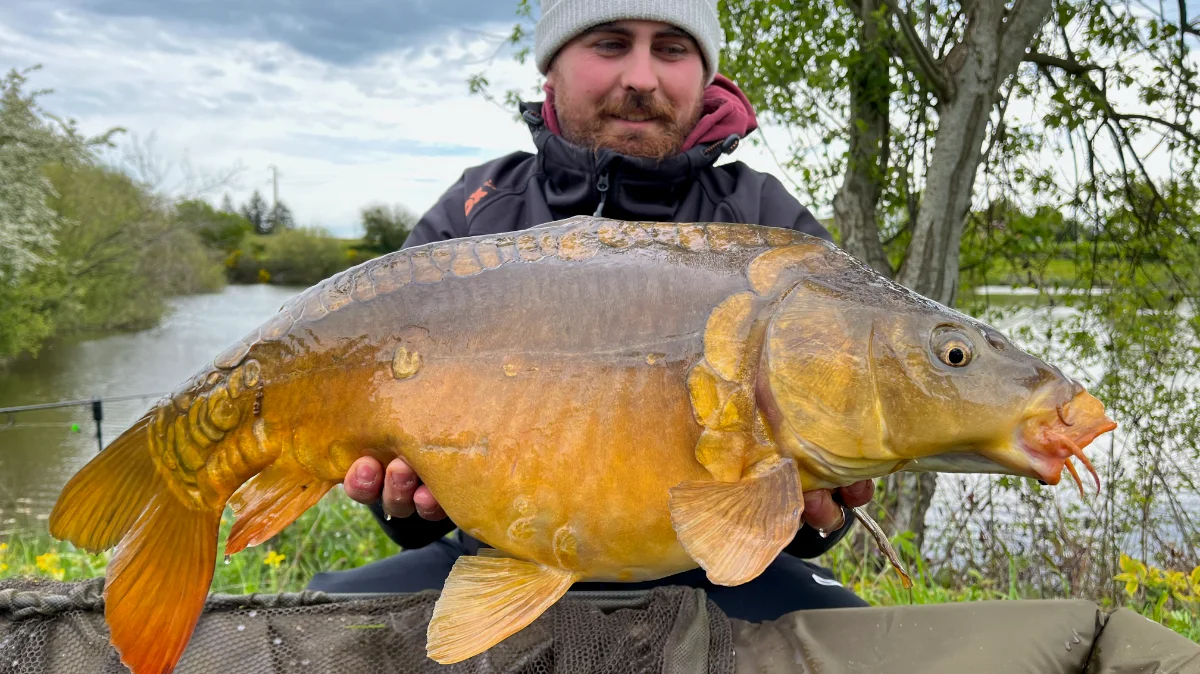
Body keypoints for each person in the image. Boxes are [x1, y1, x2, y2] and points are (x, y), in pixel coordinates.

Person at [307, 0, 876, 621]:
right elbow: (389, 477)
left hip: (708, 583)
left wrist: (815, 520)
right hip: (494, 553)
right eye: (610, 43)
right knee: (322, 619)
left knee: (853, 637)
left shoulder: (767, 226)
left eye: (671, 48)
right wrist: (404, 507)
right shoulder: (478, 214)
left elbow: (820, 493)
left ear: (705, 73)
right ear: (552, 69)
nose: (640, 77)